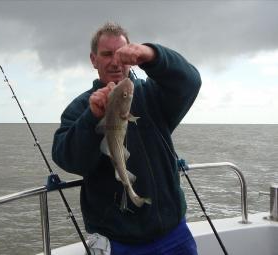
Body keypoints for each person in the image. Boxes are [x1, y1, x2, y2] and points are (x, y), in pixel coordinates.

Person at [52, 22, 201, 255]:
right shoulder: (80, 109)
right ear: (94, 60)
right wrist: (91, 117)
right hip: (117, 240)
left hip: (172, 233)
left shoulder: (153, 95)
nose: (114, 62)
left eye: (120, 53)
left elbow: (189, 81)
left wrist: (152, 55)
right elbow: (68, 159)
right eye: (106, 54)